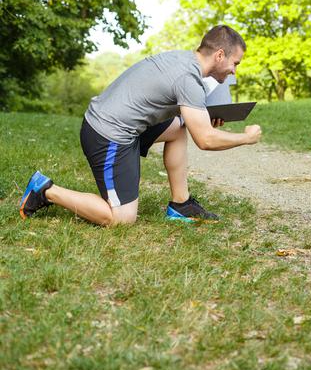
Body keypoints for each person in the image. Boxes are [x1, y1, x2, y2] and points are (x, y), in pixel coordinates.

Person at [19, 25, 262, 225]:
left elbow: (179, 109)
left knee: (178, 128)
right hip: (107, 133)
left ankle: (181, 204)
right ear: (220, 55)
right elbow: (205, 140)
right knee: (121, 218)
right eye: (235, 63)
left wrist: (205, 119)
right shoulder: (188, 78)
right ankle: (46, 190)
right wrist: (246, 138)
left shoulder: (184, 61)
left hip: (123, 123)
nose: (233, 71)